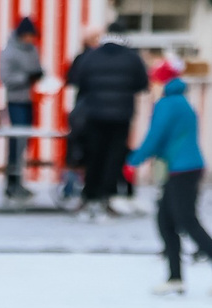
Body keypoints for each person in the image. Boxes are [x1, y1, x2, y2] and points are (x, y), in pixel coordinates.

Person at [131, 73, 212, 297]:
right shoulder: (183, 102)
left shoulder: (167, 104)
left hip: (182, 168)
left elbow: (156, 135)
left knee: (186, 221)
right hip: (184, 167)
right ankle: (175, 277)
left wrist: (134, 159)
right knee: (166, 221)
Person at [65, 26, 148, 218]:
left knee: (94, 155)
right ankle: (107, 196)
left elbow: (78, 81)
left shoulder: (91, 57)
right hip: (121, 115)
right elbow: (142, 84)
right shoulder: (132, 58)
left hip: (94, 114)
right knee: (114, 157)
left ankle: (89, 195)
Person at [0, 17, 43, 202]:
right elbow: (5, 78)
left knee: (25, 142)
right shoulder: (9, 52)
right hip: (15, 100)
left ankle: (19, 181)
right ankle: (11, 183)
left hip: (29, 100)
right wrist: (26, 77)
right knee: (16, 141)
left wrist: (38, 75)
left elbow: (36, 70)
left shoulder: (32, 50)